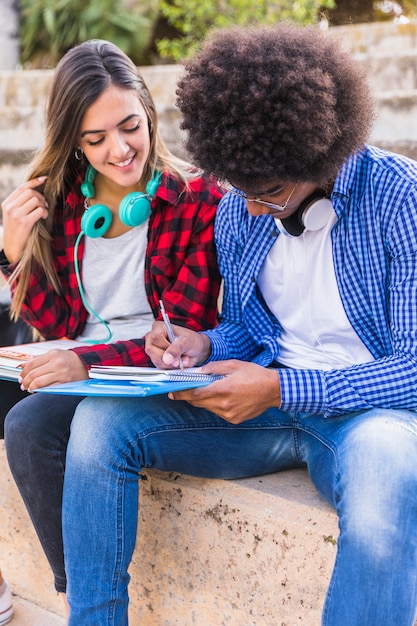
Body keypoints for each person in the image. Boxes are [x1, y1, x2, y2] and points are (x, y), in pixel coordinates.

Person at [59, 24, 417, 625]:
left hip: (369, 418)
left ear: (321, 154)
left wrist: (280, 387)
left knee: (389, 484)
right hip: (270, 408)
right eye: (239, 189)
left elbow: (412, 369)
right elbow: (250, 329)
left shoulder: (399, 198)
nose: (250, 208)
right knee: (97, 424)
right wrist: (202, 344)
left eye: (270, 193)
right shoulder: (239, 205)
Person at [2, 39, 222, 613]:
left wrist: (87, 361)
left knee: (27, 426)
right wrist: (11, 255)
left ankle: (79, 596)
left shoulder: (197, 198)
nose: (119, 150)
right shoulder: (66, 206)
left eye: (129, 127)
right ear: (73, 141)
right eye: (95, 140)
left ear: (149, 113)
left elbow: (185, 332)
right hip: (77, 366)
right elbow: (54, 322)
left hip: (144, 378)